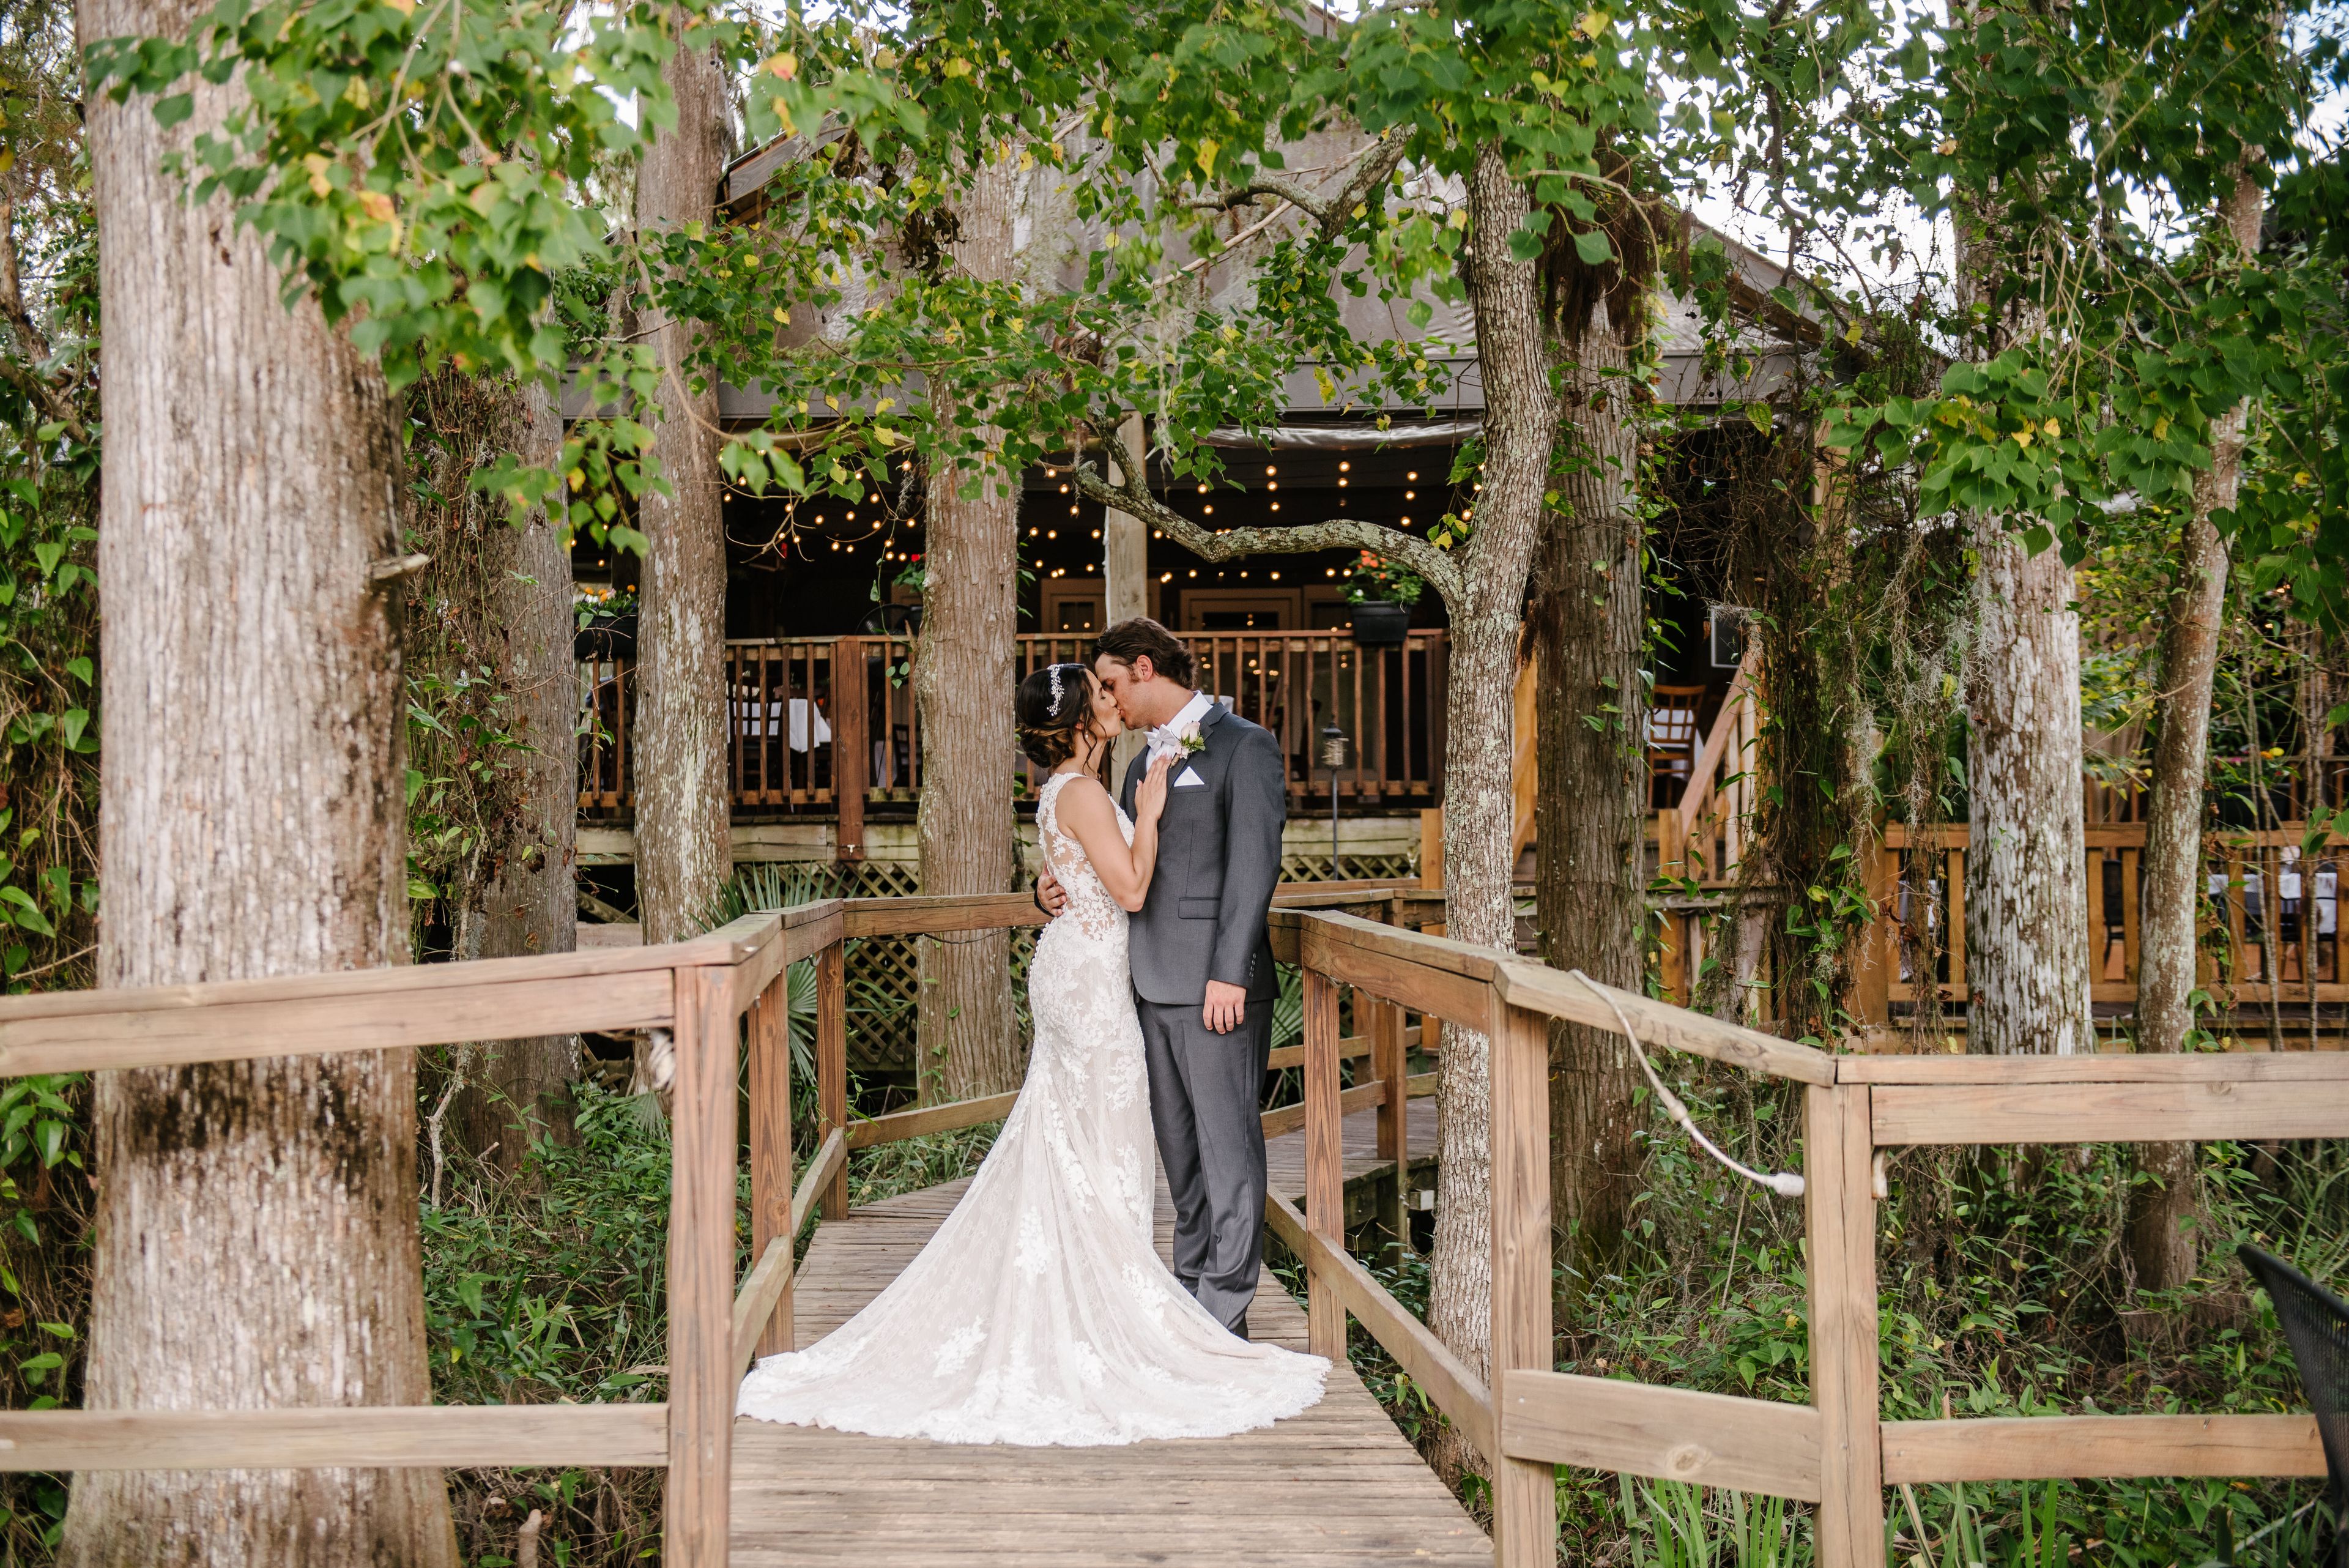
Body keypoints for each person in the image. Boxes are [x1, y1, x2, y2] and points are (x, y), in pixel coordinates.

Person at [735, 659, 1325, 1446]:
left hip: (1081, 973)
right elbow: (1133, 889)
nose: (1113, 704)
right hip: (1092, 987)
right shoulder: (1087, 790)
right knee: (1101, 1144)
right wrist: (1146, 815)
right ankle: (1104, 1317)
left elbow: (1082, 873)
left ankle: (1111, 1299)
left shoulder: (1069, 788)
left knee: (1075, 1143)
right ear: (1082, 717)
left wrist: (1055, 887)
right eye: (1101, 695)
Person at [1036, 618, 1286, 1340]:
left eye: (1110, 683)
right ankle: (1186, 1293)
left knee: (1227, 1150)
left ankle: (1224, 1314)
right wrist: (1045, 891)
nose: (1106, 700)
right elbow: (1109, 862)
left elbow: (1253, 866)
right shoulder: (1137, 764)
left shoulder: (1245, 746)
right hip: (1141, 987)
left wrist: (1230, 973)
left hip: (1216, 990)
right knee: (1181, 1159)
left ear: (1144, 668)